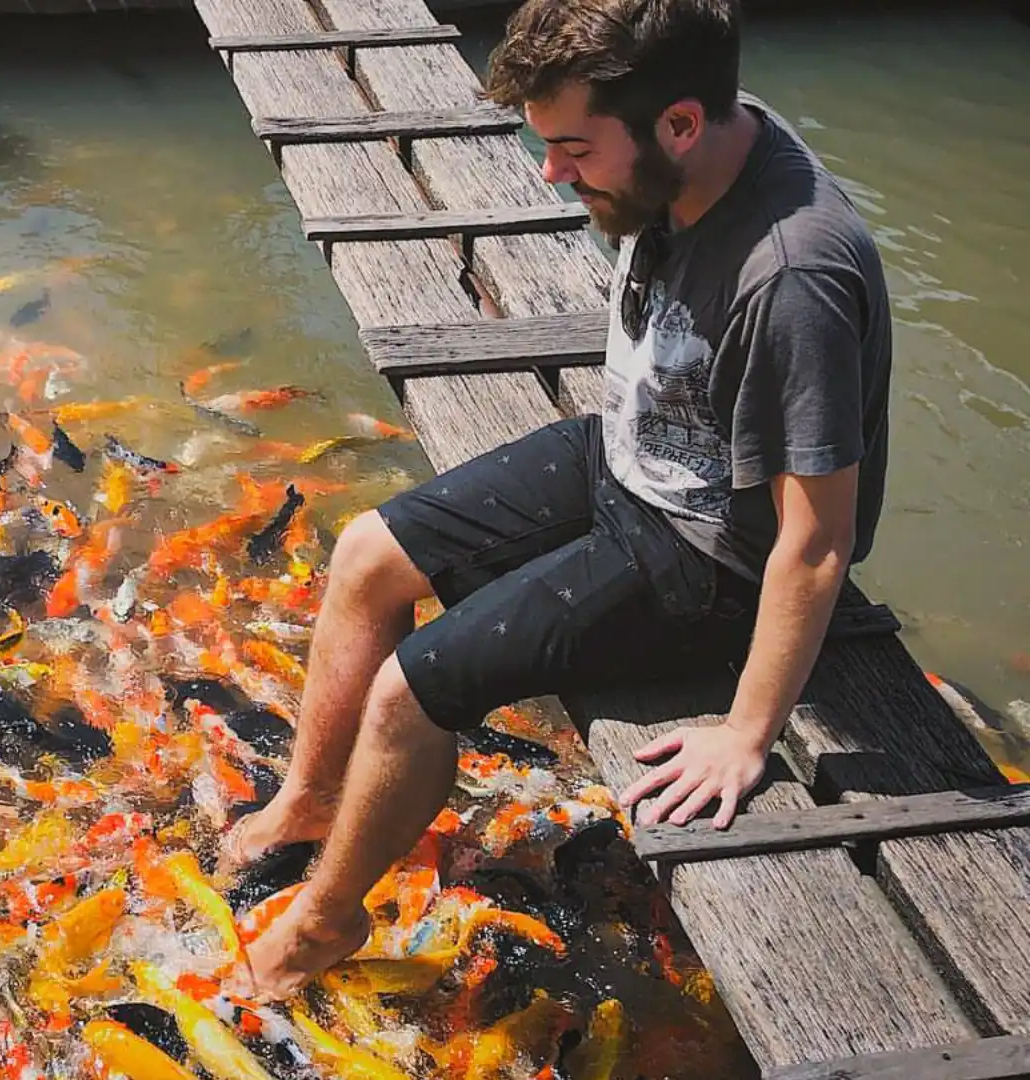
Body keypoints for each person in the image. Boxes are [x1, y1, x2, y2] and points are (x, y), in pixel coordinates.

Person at [225, 0, 892, 999]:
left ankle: (326, 920)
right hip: (627, 455)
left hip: (706, 560)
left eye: (575, 148)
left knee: (413, 690)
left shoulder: (792, 277)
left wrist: (747, 733)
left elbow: (816, 543)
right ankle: (308, 803)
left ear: (678, 126)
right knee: (366, 554)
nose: (551, 175)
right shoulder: (700, 129)